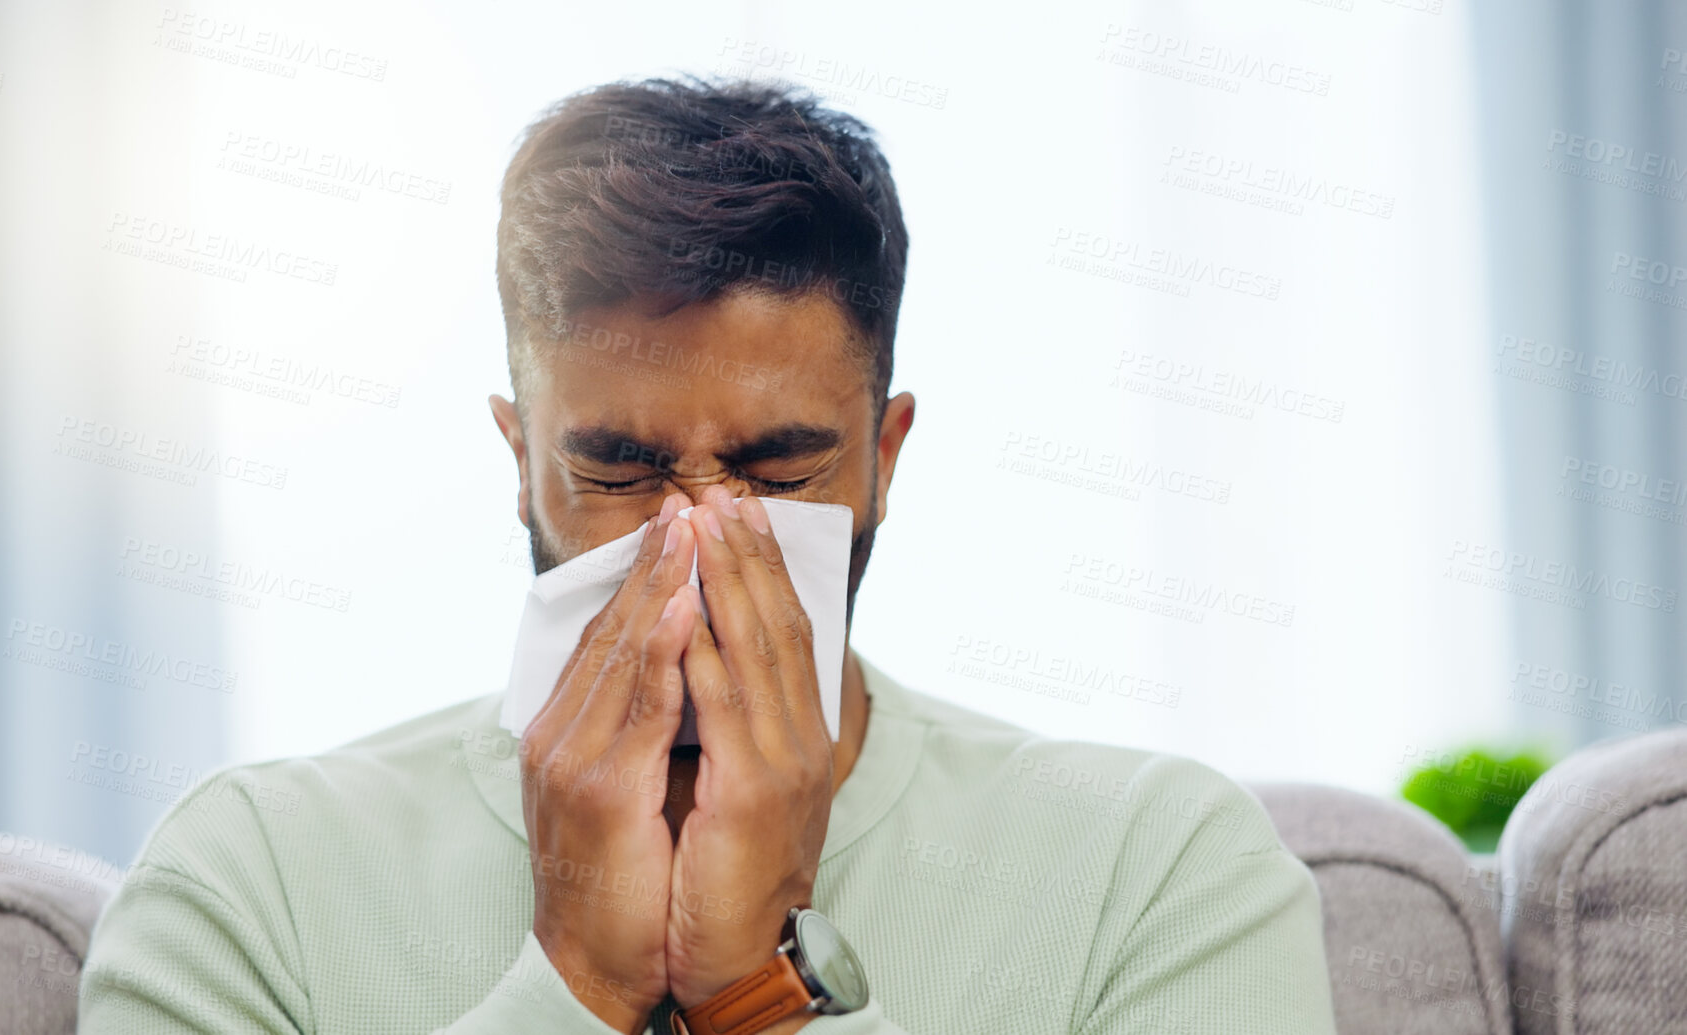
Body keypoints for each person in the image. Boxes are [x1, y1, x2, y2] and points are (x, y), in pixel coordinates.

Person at [78, 77, 1338, 1034]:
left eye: (779, 473)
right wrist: (571, 984)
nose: (692, 543)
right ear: (519, 460)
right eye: (617, 472)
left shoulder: (1158, 868)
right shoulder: (252, 881)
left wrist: (755, 992)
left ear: (882, 461)